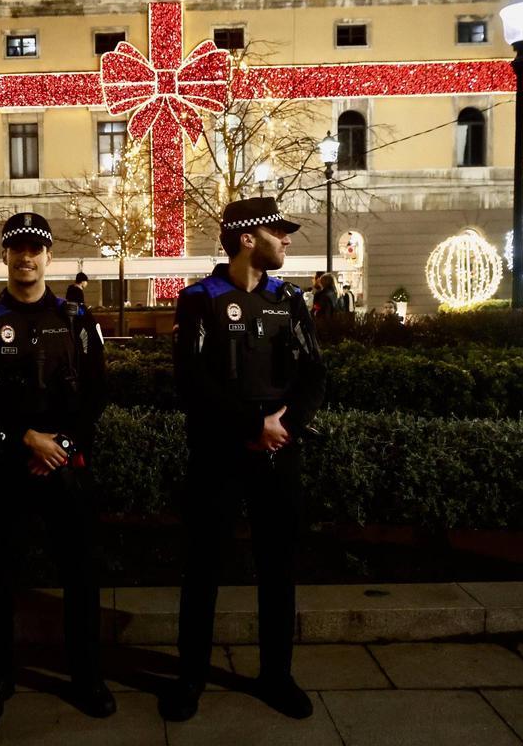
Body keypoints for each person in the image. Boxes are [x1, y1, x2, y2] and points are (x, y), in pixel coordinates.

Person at [160, 196, 325, 723]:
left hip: (279, 453)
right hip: (218, 454)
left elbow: (314, 374)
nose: (288, 240)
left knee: (278, 566)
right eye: (279, 232)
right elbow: (192, 382)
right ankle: (190, 677)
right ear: (248, 238)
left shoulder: (290, 300)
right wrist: (253, 425)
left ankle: (277, 675)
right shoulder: (199, 300)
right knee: (204, 566)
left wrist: (284, 426)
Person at [0, 213, 114, 722]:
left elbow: (96, 393)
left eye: (35, 249)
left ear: (49, 256)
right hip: (7, 472)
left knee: (80, 577)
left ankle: (86, 677)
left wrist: (60, 444)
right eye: (17, 249)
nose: (26, 257)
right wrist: (25, 441)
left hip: (65, 467)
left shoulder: (77, 321)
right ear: (5, 256)